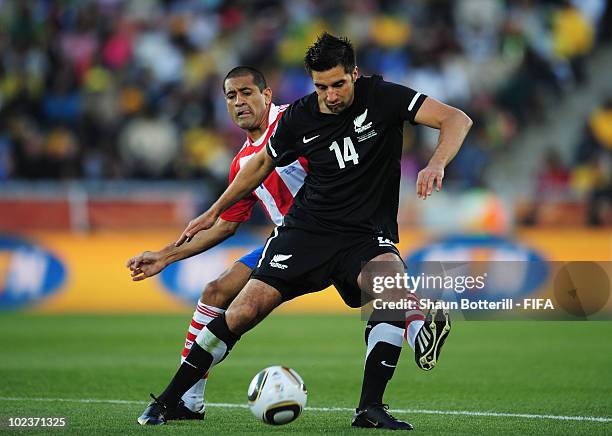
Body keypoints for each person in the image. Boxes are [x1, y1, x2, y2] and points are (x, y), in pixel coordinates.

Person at [138, 33, 472, 430]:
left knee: (389, 290)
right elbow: (260, 165)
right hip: (306, 232)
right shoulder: (300, 117)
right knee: (242, 308)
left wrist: (437, 163)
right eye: (320, 87)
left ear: (355, 74)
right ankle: (172, 399)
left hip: (365, 234)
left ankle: (370, 408)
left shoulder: (382, 97)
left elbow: (456, 118)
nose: (330, 96)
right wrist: (213, 211)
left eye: (338, 84)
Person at [127, 66, 306, 420]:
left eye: (246, 93)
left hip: (332, 231)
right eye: (231, 96)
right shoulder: (242, 162)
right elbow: (225, 226)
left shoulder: (295, 121)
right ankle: (189, 403)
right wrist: (166, 256)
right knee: (215, 291)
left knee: (378, 288)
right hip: (287, 238)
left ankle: (412, 325)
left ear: (267, 95)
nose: (239, 102)